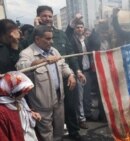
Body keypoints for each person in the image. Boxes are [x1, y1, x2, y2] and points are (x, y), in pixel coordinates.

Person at [30, 5, 85, 141]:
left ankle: (73, 132)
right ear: (38, 17)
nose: (47, 19)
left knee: (70, 107)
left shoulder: (61, 34)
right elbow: (24, 53)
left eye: (50, 16)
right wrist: (35, 29)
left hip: (65, 75)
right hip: (45, 81)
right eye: (44, 16)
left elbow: (70, 53)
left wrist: (75, 71)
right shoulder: (33, 35)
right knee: (47, 114)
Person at [16, 25, 76, 141]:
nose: (51, 41)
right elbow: (20, 67)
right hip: (41, 102)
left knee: (59, 128)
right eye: (48, 39)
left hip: (59, 98)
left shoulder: (54, 50)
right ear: (37, 39)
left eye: (51, 38)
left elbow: (63, 65)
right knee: (46, 132)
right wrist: (42, 61)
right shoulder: (27, 53)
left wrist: (71, 75)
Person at [0, 71, 41, 141]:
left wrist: (31, 114)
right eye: (23, 91)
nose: (26, 92)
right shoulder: (2, 111)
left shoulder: (19, 100)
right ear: (13, 92)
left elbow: (22, 114)